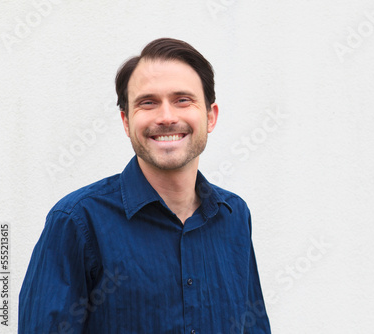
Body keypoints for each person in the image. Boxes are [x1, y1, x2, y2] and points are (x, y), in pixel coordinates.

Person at [19, 38, 271, 333]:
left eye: (183, 100)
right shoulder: (77, 220)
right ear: (126, 121)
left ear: (210, 116)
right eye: (148, 102)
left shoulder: (234, 215)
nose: (166, 117)